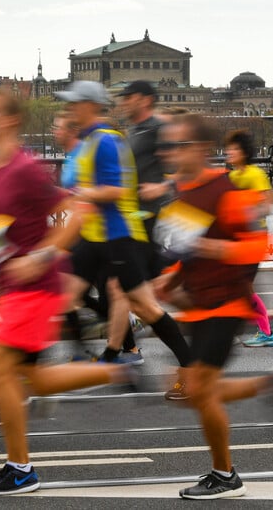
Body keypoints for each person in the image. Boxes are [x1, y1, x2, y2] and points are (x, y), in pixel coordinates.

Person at [0, 87, 131, 496]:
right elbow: (4, 224)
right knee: (29, 379)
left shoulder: (23, 167)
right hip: (12, 285)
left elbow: (77, 210)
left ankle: (21, 469)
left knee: (0, 368)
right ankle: (119, 369)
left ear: (9, 120)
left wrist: (41, 256)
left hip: (36, 286)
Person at [151, 114, 273, 499]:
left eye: (177, 145)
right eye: (166, 145)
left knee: (197, 388)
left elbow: (255, 247)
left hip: (228, 302)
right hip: (199, 304)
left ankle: (226, 475)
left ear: (200, 149)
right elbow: (188, 250)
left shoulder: (226, 190)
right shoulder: (182, 192)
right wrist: (173, 277)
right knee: (199, 391)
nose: (168, 151)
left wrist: (204, 248)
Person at [55, 81, 191, 394]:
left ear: (90, 106)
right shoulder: (91, 140)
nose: (69, 109)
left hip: (117, 236)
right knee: (63, 296)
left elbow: (117, 190)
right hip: (94, 237)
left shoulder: (106, 140)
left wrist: (80, 194)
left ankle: (190, 365)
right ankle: (98, 359)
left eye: (74, 104)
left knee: (145, 308)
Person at [223, 129, 273, 348]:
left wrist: (246, 211)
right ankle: (250, 326)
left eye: (235, 148)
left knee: (243, 285)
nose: (230, 152)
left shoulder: (254, 174)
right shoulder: (231, 176)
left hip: (254, 236)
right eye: (229, 148)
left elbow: (267, 203)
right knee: (236, 284)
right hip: (237, 238)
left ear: (245, 152)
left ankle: (266, 331)